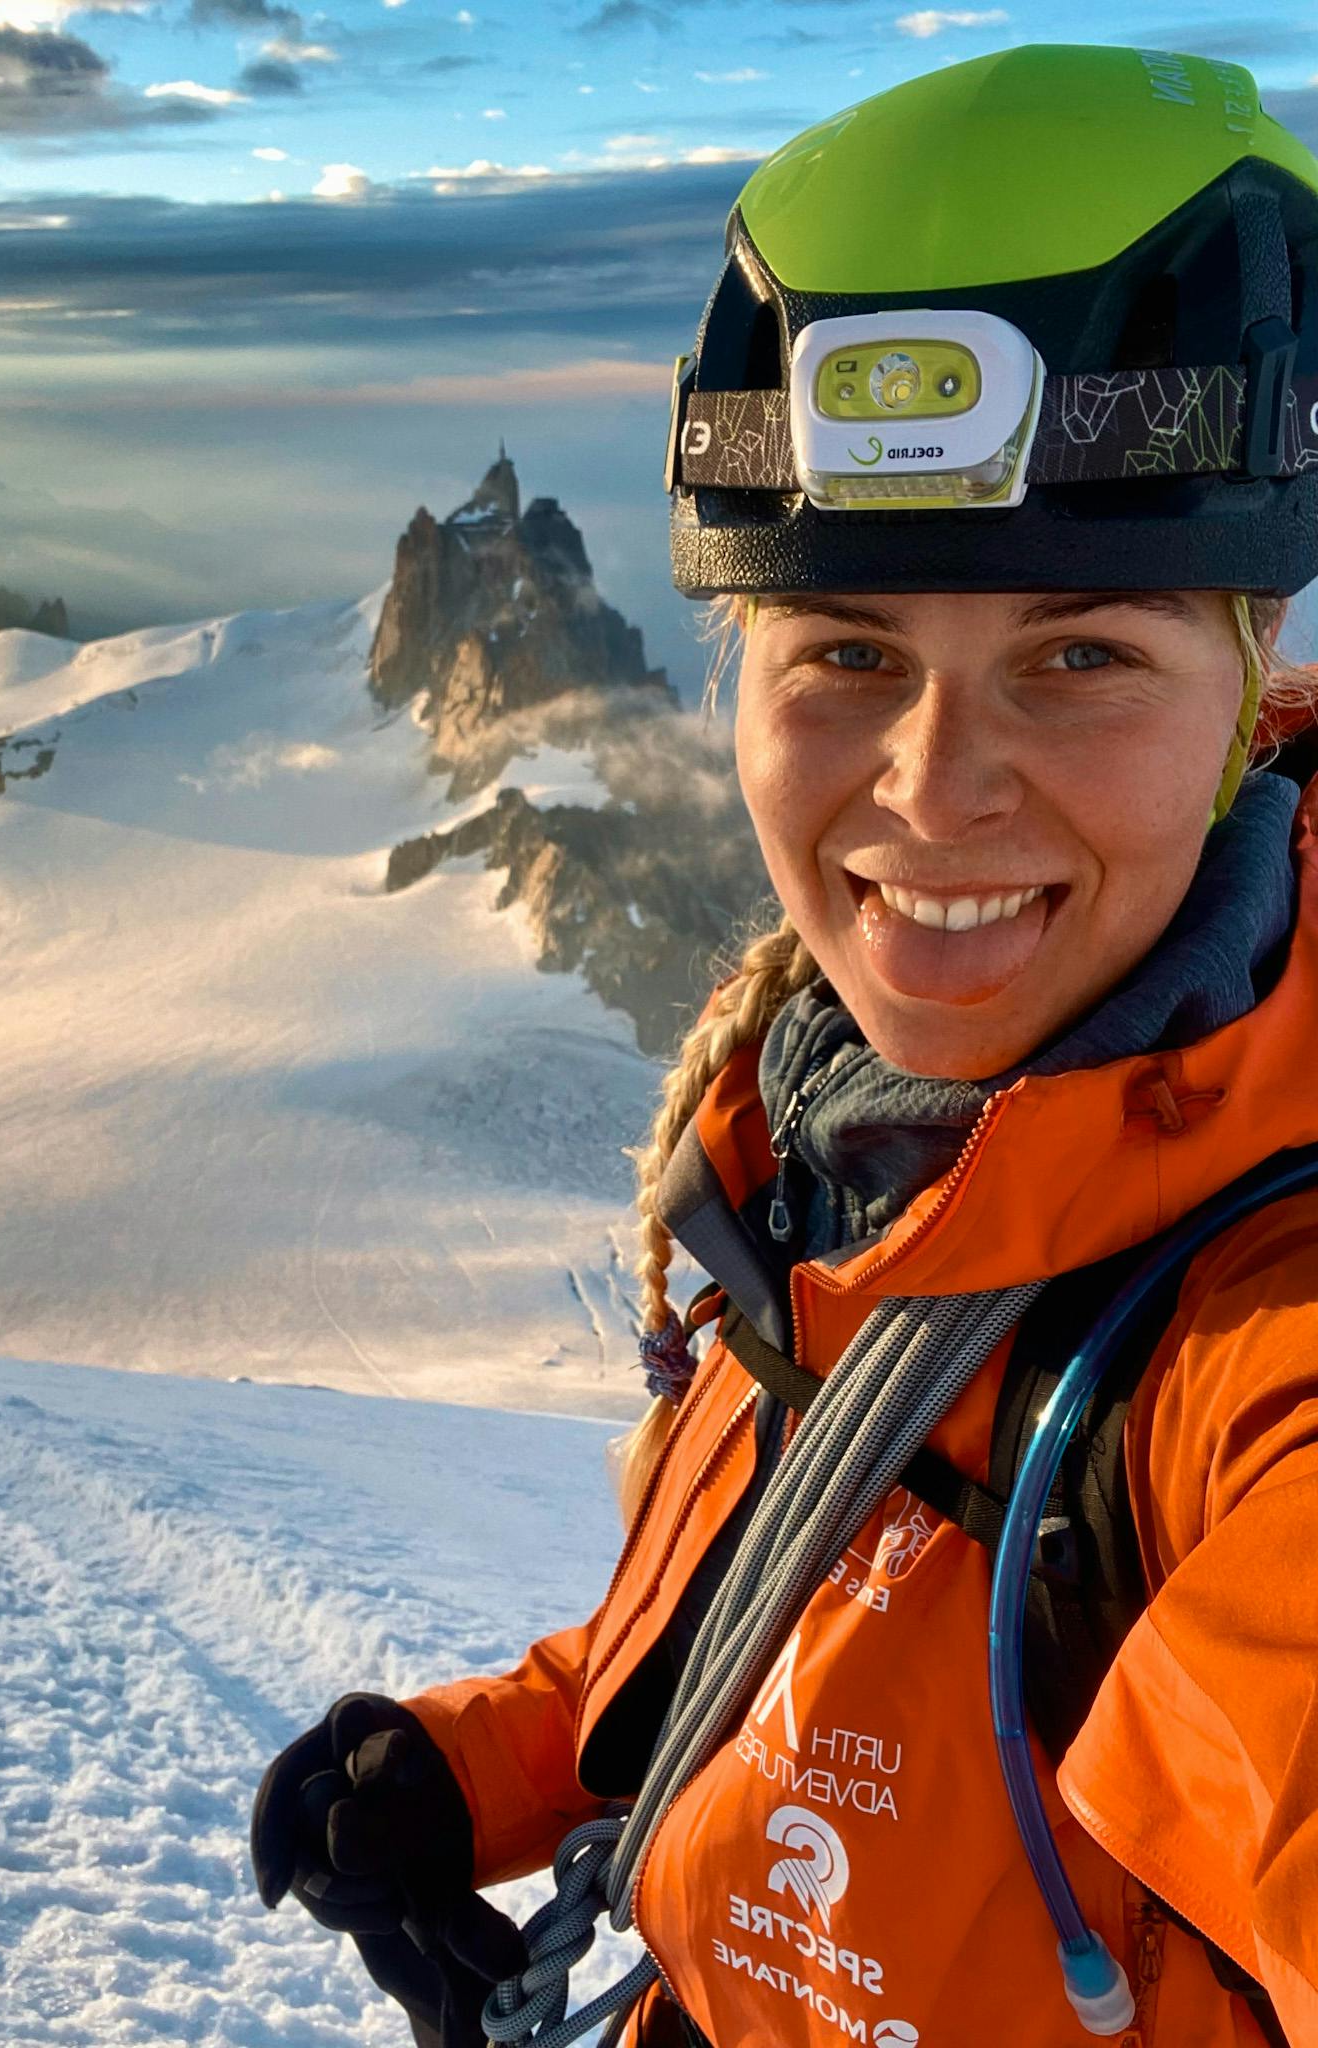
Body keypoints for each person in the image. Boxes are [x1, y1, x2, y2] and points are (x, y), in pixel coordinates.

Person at [251, 43, 1318, 2048]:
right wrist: (475, 1766)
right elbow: (778, 1626)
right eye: (845, 654)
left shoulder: (1253, 1338)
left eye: (1083, 655)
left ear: (1253, 685)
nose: (935, 790)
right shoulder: (834, 1146)